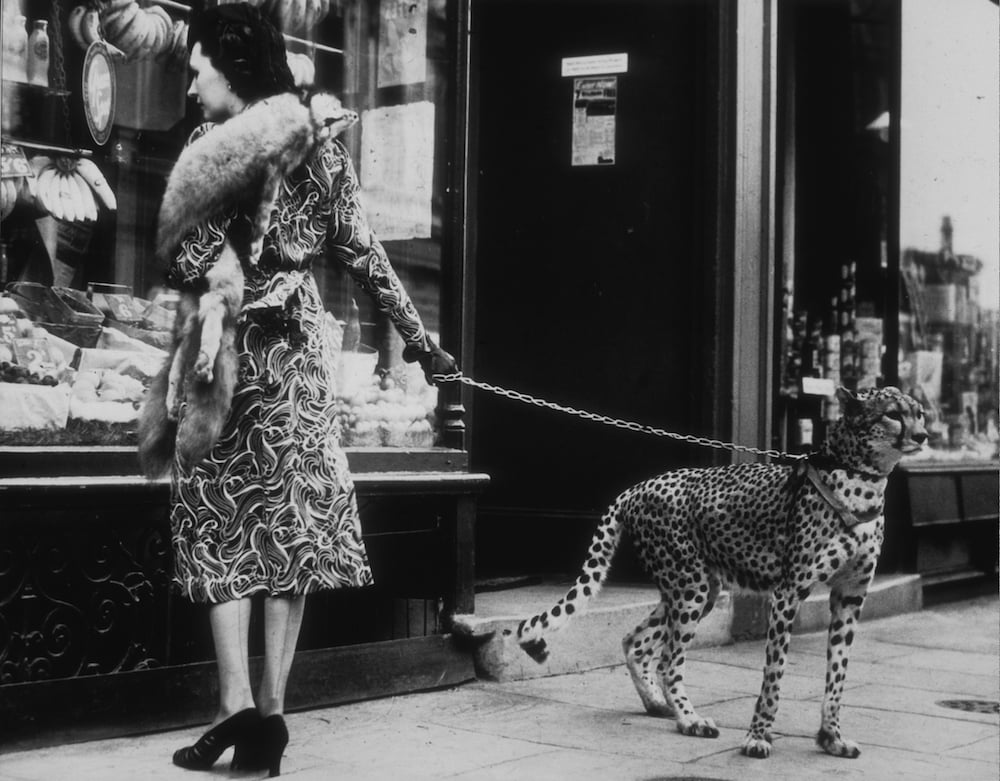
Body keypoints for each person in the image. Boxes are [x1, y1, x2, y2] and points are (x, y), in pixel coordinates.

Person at [163, 4, 457, 776]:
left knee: (222, 520)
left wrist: (422, 343)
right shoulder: (315, 152)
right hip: (287, 357)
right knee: (279, 529)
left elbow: (184, 259)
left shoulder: (208, 152)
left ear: (234, 71)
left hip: (228, 359)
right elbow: (367, 255)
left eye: (199, 70)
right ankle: (263, 713)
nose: (193, 85)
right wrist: (422, 343)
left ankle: (242, 707)